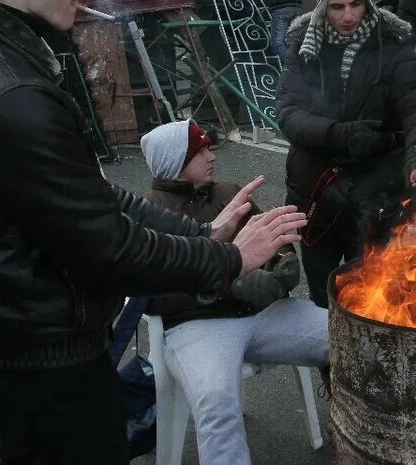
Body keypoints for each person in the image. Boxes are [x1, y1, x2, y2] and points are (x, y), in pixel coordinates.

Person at [0, 0, 307, 464]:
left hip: (36, 358)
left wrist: (206, 233)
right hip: (46, 372)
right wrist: (229, 260)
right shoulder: (9, 93)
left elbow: (90, 197)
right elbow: (105, 244)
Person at [140, 121, 328, 465]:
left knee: (348, 336)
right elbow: (147, 294)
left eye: (210, 148)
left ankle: (372, 431)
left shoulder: (228, 192)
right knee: (216, 403)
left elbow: (268, 241)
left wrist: (283, 264)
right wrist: (230, 283)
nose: (212, 157)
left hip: (262, 314)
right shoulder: (150, 215)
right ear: (175, 160)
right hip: (198, 327)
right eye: (200, 151)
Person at [276, 0, 416, 307]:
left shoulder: (392, 43)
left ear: (368, 0)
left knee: (370, 297)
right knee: (323, 298)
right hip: (316, 191)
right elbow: (288, 112)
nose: (348, 16)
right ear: (323, 6)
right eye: (337, 7)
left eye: (356, 4)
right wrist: (338, 134)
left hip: (374, 193)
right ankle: (327, 363)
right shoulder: (303, 45)